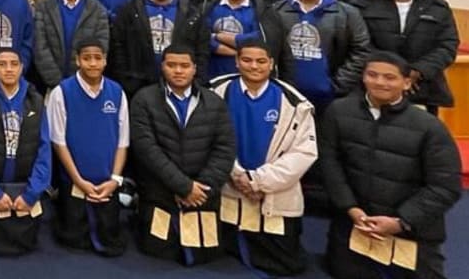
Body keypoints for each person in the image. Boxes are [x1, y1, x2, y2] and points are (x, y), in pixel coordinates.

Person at [319, 52, 462, 279]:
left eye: (389, 77)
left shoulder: (429, 127)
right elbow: (330, 163)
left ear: (407, 83)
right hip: (356, 221)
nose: (379, 82)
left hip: (409, 228)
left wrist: (400, 221)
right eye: (372, 75)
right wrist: (350, 208)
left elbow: (446, 186)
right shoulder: (338, 112)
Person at [212, 41, 317, 276]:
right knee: (216, 251)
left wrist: (258, 181)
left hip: (273, 192)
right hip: (229, 185)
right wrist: (237, 174)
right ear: (237, 61)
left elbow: (304, 153)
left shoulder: (295, 102)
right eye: (247, 60)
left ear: (271, 64)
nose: (254, 66)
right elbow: (209, 140)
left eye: (261, 61)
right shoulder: (216, 92)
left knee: (286, 264)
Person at [129, 44, 235, 266]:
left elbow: (224, 150)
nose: (178, 71)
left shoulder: (215, 102)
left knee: (206, 255)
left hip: (202, 195)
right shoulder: (143, 99)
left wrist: (199, 189)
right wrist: (182, 186)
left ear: (194, 68)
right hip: (161, 192)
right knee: (157, 253)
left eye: (184, 66)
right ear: (162, 67)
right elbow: (146, 149)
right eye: (172, 65)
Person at [47, 39, 130, 256]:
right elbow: (58, 142)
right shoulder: (61, 92)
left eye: (97, 58)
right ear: (77, 61)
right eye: (86, 58)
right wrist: (78, 180)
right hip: (74, 181)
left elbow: (123, 142)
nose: (92, 63)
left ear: (105, 61)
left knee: (110, 238)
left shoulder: (117, 92)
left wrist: (115, 180)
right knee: (73, 239)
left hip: (108, 182)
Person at [0, 49, 51, 256]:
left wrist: (32, 193)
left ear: (22, 67)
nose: (9, 69)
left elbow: (44, 149)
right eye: (3, 64)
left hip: (25, 188)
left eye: (14, 64)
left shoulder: (36, 100)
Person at [352, 0, 458, 114]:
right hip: (376, 82)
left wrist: (418, 70)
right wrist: (389, 70)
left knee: (420, 134)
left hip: (422, 86)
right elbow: (358, 43)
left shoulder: (435, 5)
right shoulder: (364, 5)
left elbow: (448, 44)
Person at [274, 0, 371, 112]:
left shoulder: (347, 13)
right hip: (286, 92)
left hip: (331, 95)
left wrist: (339, 84)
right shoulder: (276, 10)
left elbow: (361, 50)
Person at [109, 0, 205, 96]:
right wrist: (125, 78)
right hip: (137, 85)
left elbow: (202, 48)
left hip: (180, 85)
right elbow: (118, 45)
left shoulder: (192, 13)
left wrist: (197, 79)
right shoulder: (129, 10)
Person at [198, 0, 287, 81]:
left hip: (252, 78)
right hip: (212, 76)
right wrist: (234, 51)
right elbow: (202, 38)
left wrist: (219, 36)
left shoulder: (264, 10)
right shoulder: (206, 7)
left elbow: (259, 39)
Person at [33, 0, 110, 91]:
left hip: (85, 82)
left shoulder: (97, 9)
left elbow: (102, 46)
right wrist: (55, 81)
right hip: (51, 84)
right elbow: (40, 46)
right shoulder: (44, 6)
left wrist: (81, 79)